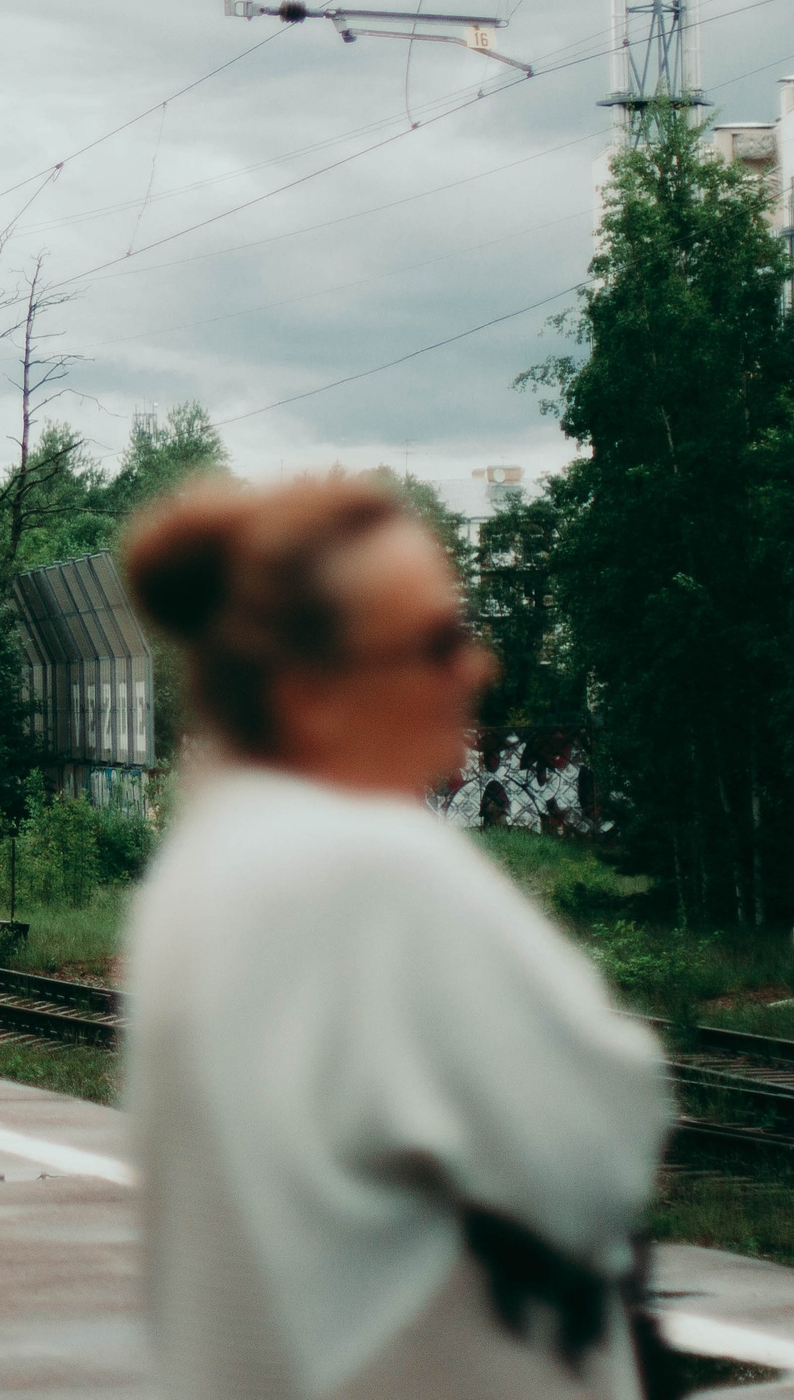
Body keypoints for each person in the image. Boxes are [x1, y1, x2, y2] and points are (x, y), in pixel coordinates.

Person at [118, 475, 669, 1400]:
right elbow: (597, 1151)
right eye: (438, 641)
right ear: (309, 693)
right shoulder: (375, 871)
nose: (477, 668)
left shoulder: (202, 867)